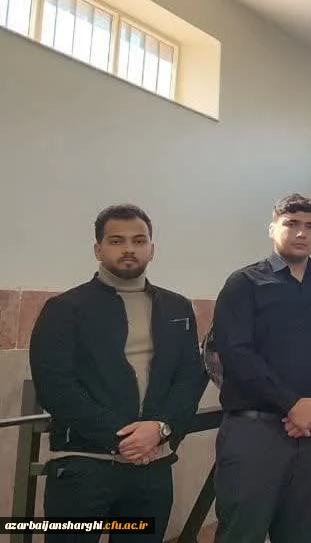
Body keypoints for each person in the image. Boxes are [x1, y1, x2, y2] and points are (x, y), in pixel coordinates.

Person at [29, 204, 207, 542]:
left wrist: (161, 428)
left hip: (152, 468)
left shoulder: (177, 308)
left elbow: (189, 378)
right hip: (85, 466)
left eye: (139, 241)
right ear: (98, 249)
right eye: (116, 241)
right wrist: (120, 437)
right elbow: (55, 386)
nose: (128, 249)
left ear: (152, 248)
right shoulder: (65, 309)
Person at [210, 193, 311, 543]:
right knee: (242, 532)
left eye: (310, 226)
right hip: (255, 433)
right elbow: (237, 353)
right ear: (272, 228)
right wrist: (292, 404)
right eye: (291, 224)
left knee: (304, 532)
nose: (302, 233)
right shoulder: (245, 284)